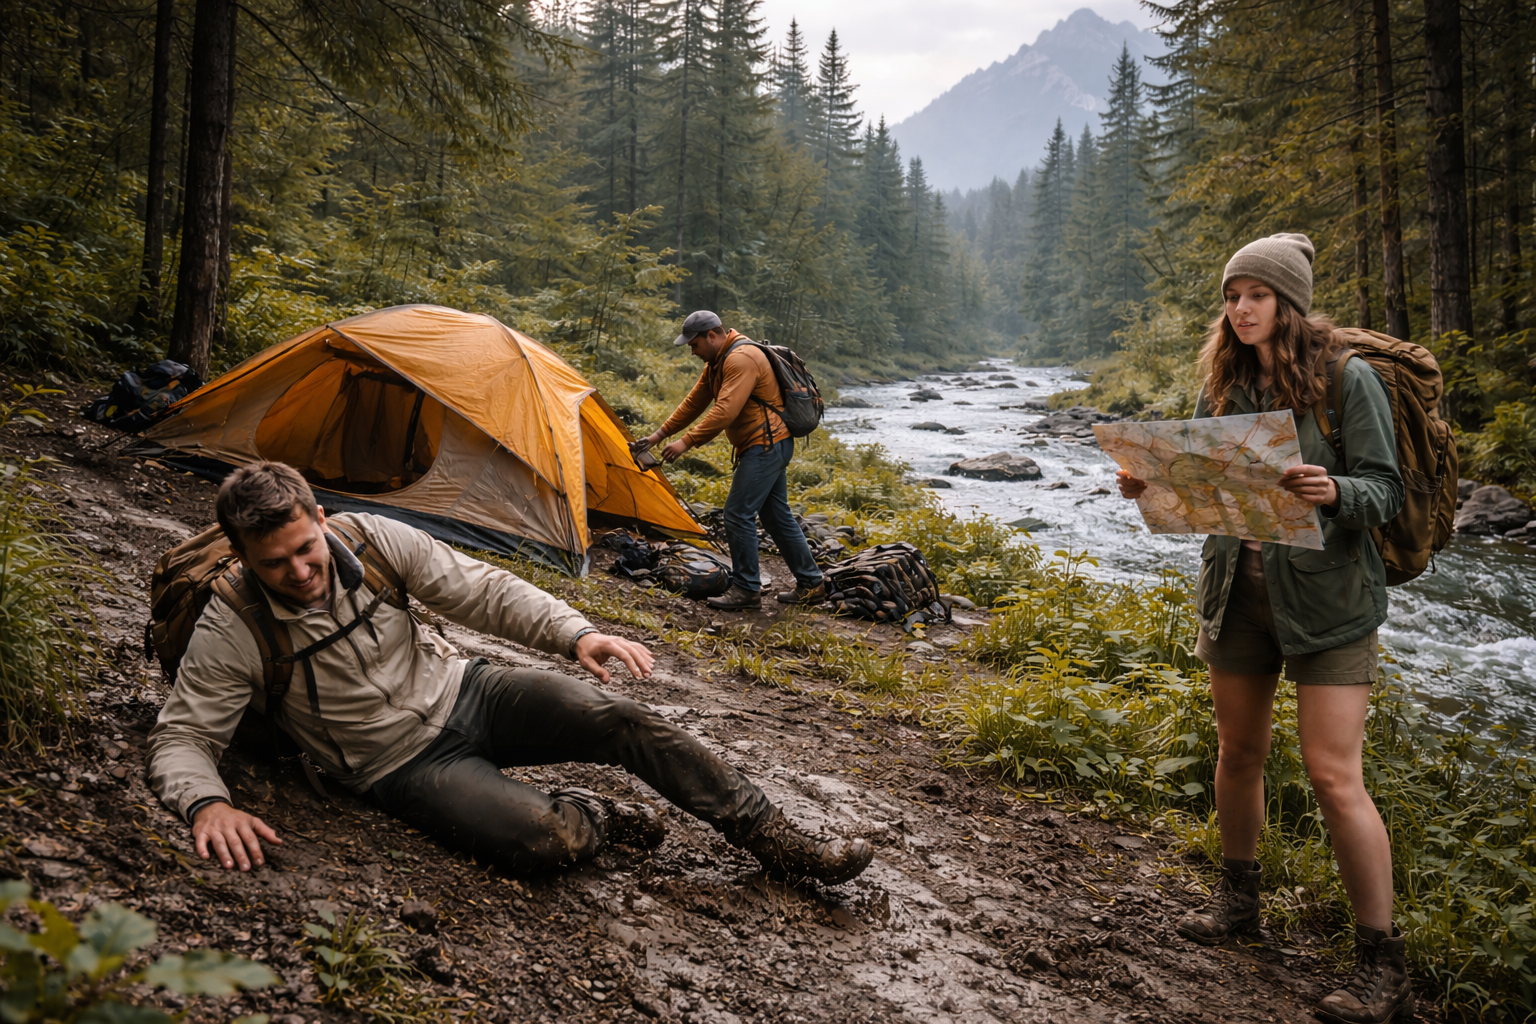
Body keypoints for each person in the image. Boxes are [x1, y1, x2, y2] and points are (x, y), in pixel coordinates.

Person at [146, 462, 872, 885]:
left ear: (320, 518)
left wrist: (576, 632)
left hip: (469, 689)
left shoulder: (370, 541)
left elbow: (482, 588)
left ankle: (776, 840)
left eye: (306, 548)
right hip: (398, 763)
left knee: (613, 715)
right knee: (543, 841)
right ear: (243, 557)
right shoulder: (232, 621)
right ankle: (599, 815)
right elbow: (182, 734)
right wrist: (206, 803)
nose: (300, 572)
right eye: (275, 563)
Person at [1115, 234, 1409, 1024]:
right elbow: (1208, 485)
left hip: (1329, 602)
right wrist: (1151, 482)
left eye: (1256, 296)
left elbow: (1388, 491)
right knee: (1238, 751)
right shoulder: (1228, 380)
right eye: (1232, 296)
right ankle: (1238, 901)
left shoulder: (1349, 381)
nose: (1240, 310)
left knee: (1332, 775)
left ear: (1289, 302)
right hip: (1237, 594)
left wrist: (1335, 488)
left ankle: (1381, 964)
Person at [634, 310, 825, 612]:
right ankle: (812, 583)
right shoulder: (717, 361)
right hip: (768, 445)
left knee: (737, 514)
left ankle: (747, 589)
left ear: (712, 335)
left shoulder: (740, 359)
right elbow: (695, 402)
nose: (692, 351)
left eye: (694, 344)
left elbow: (725, 411)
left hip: (766, 445)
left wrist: (686, 442)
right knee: (776, 516)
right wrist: (659, 435)